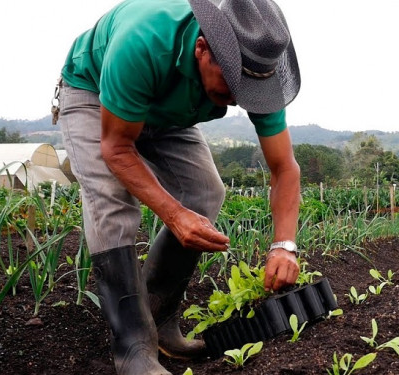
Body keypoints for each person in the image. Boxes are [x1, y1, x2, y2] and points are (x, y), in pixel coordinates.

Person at [55, 0, 302, 373]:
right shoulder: (144, 40)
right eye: (231, 87)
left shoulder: (255, 74)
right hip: (94, 95)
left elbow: (284, 167)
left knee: (205, 192)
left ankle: (158, 319)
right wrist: (174, 214)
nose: (239, 100)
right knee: (113, 203)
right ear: (201, 48)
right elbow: (117, 149)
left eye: (248, 91)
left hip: (169, 111)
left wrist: (284, 246)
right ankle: (134, 350)